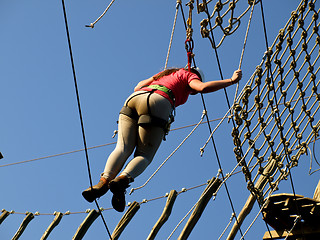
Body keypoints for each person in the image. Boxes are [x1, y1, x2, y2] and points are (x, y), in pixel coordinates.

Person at [82, 67, 242, 212]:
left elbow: (138, 86)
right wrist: (231, 80)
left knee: (122, 148)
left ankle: (103, 182)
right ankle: (122, 180)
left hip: (134, 98)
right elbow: (203, 88)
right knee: (144, 155)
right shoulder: (189, 76)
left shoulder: (167, 73)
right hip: (158, 102)